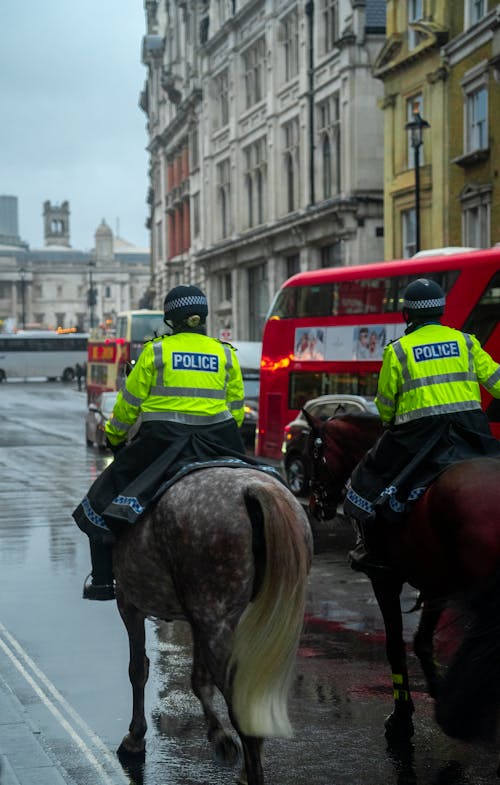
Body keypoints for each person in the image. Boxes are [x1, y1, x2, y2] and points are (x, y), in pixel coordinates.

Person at [73, 285, 247, 600]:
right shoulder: (225, 353)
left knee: (99, 500)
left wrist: (114, 435)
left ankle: (102, 581)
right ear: (203, 317)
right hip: (220, 441)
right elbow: (236, 409)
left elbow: (128, 405)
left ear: (170, 320)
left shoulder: (155, 352)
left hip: (163, 443)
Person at [344, 277, 500, 571]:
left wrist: (390, 423)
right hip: (470, 431)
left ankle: (371, 549)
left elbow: (387, 402)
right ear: (441, 310)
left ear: (408, 313)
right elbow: (497, 383)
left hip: (418, 436)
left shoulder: (398, 351)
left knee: (369, 475)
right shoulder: (466, 342)